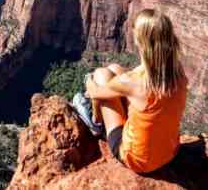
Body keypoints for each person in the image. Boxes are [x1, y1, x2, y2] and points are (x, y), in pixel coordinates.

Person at [72, 9, 188, 174]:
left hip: (137, 159)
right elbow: (138, 76)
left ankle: (95, 123)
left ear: (141, 42)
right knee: (115, 68)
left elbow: (95, 92)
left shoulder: (133, 82)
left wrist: (88, 79)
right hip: (170, 153)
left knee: (101, 74)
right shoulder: (178, 74)